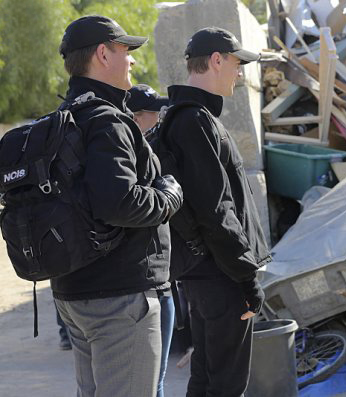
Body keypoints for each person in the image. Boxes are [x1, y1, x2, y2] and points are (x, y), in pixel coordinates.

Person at [53, 15, 183, 397]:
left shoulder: (64, 117)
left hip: (73, 291)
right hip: (118, 297)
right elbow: (119, 202)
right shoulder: (107, 121)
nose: (132, 61)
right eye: (126, 51)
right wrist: (169, 196)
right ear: (102, 54)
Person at [164, 27, 271, 397]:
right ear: (216, 61)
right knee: (226, 383)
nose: (240, 74)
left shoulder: (186, 118)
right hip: (220, 274)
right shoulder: (195, 122)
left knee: (207, 376)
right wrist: (246, 277)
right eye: (237, 65)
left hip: (205, 273)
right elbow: (216, 210)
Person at [127, 83, 174, 397]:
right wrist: (169, 195)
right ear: (135, 115)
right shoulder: (131, 152)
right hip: (143, 283)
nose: (159, 116)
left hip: (158, 277)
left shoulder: (150, 145)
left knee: (155, 379)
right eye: (153, 111)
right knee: (150, 382)